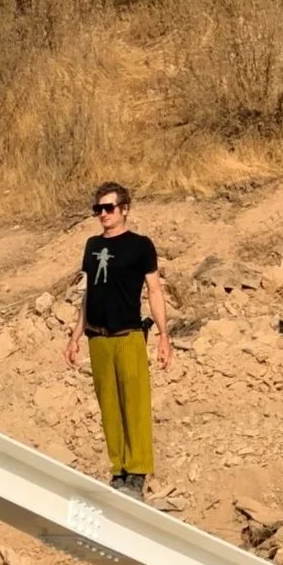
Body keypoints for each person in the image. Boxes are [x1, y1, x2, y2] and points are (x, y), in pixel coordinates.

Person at [64, 181, 172, 502]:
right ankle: (119, 470)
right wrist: (75, 335)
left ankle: (137, 472)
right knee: (109, 406)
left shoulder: (140, 246)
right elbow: (89, 292)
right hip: (98, 337)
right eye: (98, 209)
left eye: (109, 208)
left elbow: (154, 290)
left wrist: (164, 335)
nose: (103, 214)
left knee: (134, 403)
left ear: (124, 209)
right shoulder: (92, 245)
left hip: (128, 335)